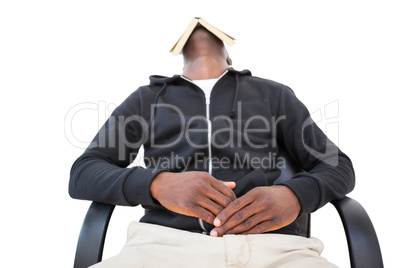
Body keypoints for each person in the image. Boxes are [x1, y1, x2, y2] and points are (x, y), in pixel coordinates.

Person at [69, 20, 354, 267]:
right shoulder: (147, 98)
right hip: (161, 248)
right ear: (177, 52)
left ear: (230, 57)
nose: (200, 24)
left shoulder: (274, 94)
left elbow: (337, 165)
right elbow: (84, 172)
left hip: (275, 248)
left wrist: (294, 195)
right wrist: (158, 184)